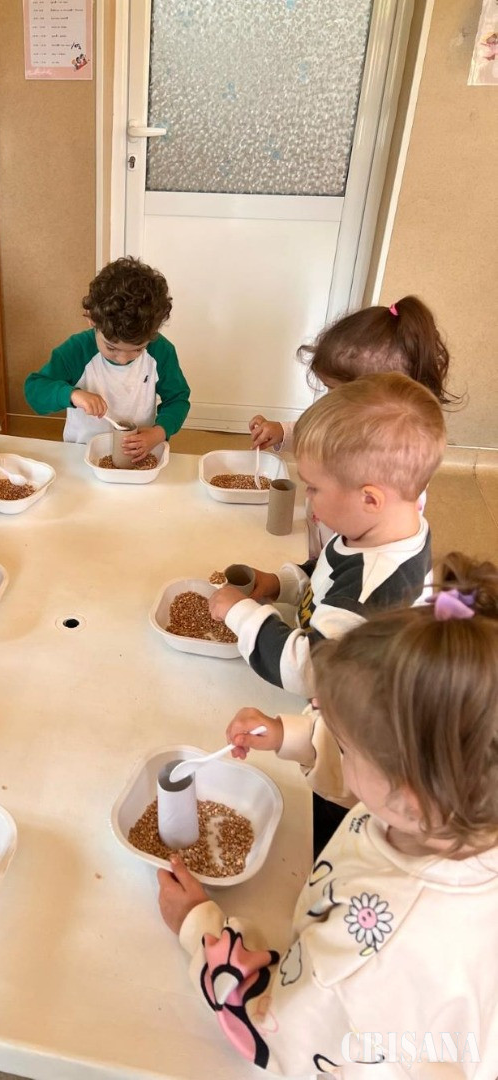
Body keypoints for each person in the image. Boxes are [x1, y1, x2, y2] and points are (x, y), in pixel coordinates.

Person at [157, 552, 498, 1078]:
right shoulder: (457, 804)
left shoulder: (366, 955)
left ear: (408, 793)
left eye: (344, 745)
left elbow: (271, 1030)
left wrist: (199, 928)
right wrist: (291, 735)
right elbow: (379, 776)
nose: (339, 747)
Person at [209, 373, 445, 698]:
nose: (306, 495)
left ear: (369, 499)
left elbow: (308, 671)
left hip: (350, 710)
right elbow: (330, 571)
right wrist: (281, 584)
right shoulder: (373, 529)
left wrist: (240, 614)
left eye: (314, 488)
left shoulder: (370, 591)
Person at [249, 296, 457, 558]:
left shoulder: (386, 471)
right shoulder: (357, 428)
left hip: (342, 553)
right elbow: (323, 439)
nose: (328, 400)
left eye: (334, 391)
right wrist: (283, 432)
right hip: (327, 542)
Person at [23, 257, 190, 462]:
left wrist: (159, 432)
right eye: (112, 348)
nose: (123, 359)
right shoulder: (77, 350)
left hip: (137, 454)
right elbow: (35, 390)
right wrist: (72, 394)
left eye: (138, 349)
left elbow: (177, 399)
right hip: (81, 453)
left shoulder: (161, 351)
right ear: (92, 320)